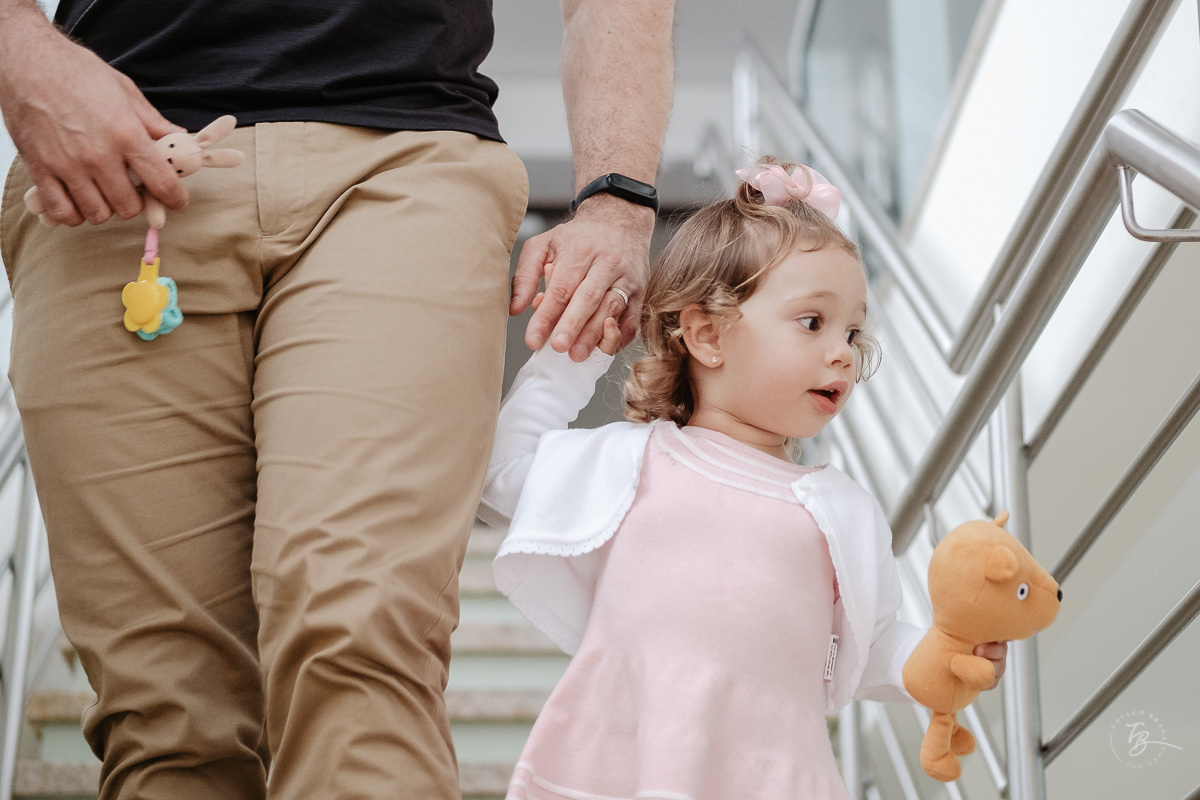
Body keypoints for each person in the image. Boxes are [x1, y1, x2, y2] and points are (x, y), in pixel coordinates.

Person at [0, 0, 673, 797]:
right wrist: (21, 52)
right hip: (122, 172)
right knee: (165, 709)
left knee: (359, 634)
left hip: (406, 155)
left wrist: (618, 199)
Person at [477, 161, 1008, 800]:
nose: (842, 350)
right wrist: (577, 355)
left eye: (852, 331)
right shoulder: (635, 460)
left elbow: (869, 644)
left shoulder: (838, 509)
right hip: (622, 764)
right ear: (707, 334)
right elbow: (504, 474)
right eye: (813, 322)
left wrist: (941, 659)